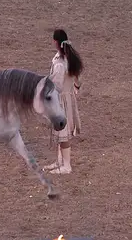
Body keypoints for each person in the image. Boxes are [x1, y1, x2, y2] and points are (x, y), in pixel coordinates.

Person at [42, 29, 83, 174]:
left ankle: (66, 165)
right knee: (61, 132)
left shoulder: (60, 62)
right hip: (68, 98)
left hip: (61, 101)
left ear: (55, 42)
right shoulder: (70, 58)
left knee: (63, 132)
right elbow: (77, 80)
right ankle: (60, 162)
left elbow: (57, 85)